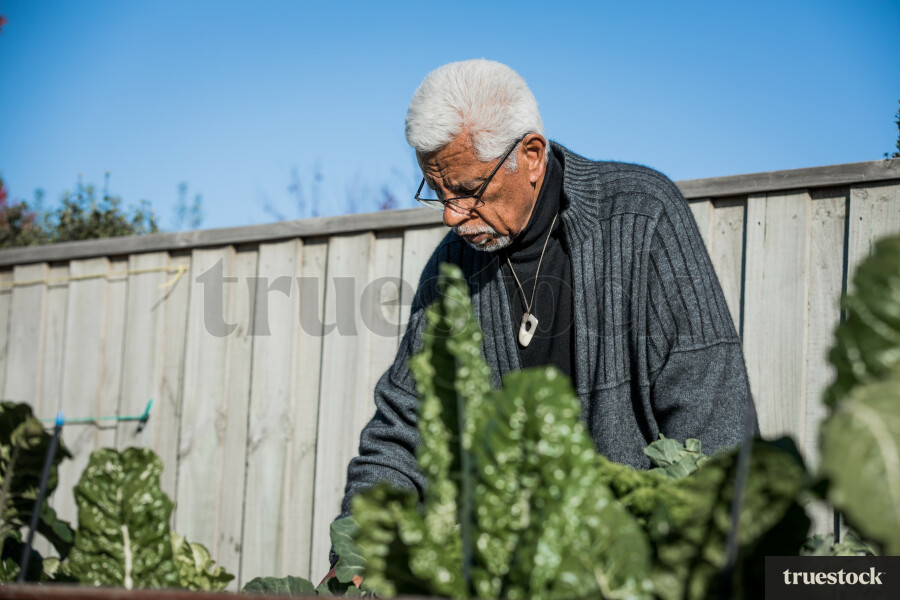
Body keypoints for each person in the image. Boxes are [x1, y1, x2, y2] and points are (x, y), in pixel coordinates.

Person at [329, 58, 758, 566]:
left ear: (531, 156)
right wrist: (362, 545)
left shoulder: (643, 218)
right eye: (437, 192)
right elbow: (403, 430)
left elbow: (712, 418)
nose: (450, 215)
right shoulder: (451, 270)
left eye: (466, 191)